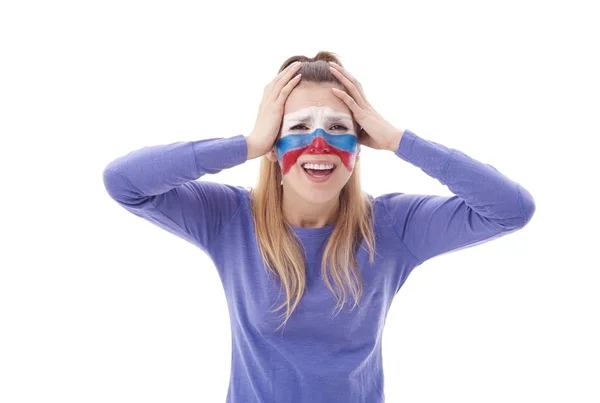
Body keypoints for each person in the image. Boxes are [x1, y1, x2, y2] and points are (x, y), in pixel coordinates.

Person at [102, 51, 536, 403]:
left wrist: (397, 138)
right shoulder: (230, 219)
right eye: (298, 127)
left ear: (359, 144)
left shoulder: (392, 226)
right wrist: (249, 144)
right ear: (274, 143)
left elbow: (510, 209)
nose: (319, 143)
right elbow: (124, 183)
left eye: (337, 127)